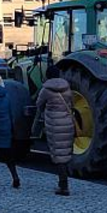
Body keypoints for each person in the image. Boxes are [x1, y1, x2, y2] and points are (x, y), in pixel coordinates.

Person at [36, 67, 76, 197]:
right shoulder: (67, 88)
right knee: (65, 153)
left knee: (58, 155)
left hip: (54, 125)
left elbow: (39, 104)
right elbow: (72, 104)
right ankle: (63, 183)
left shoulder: (46, 90)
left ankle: (63, 186)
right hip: (67, 123)